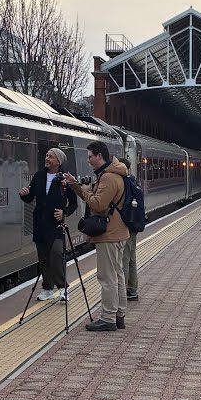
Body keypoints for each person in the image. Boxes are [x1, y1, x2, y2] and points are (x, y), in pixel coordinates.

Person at [63, 141, 128, 332]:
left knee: (107, 277)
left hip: (109, 234)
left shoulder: (108, 177)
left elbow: (98, 204)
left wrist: (82, 189)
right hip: (117, 232)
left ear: (99, 156)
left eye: (90, 156)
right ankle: (119, 315)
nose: (88, 160)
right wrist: (77, 186)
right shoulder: (113, 174)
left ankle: (108, 318)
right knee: (117, 275)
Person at [19, 147, 77, 302]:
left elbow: (73, 203)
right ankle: (47, 288)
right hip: (40, 223)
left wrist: (64, 213)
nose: (47, 158)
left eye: (50, 156)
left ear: (58, 161)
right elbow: (30, 197)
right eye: (46, 155)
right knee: (43, 257)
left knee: (57, 255)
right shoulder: (38, 176)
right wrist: (23, 194)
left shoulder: (63, 179)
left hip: (56, 224)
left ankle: (63, 288)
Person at [117, 157, 138, 301]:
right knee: (131, 259)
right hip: (133, 225)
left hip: (126, 225)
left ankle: (122, 292)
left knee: (124, 260)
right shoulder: (132, 180)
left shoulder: (123, 182)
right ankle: (132, 289)